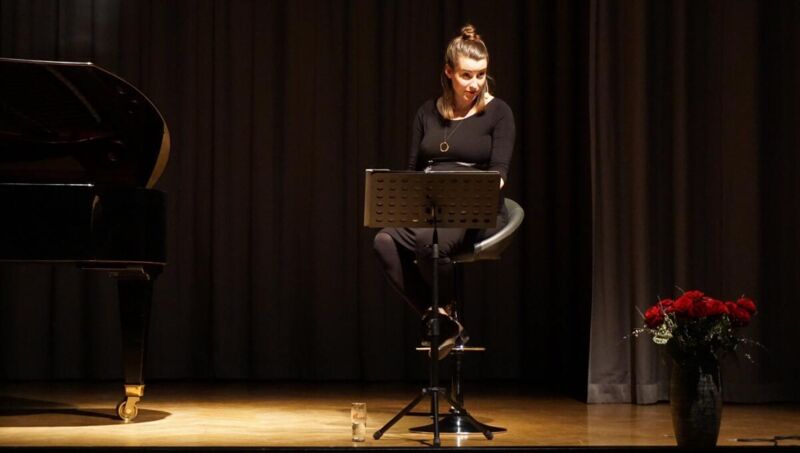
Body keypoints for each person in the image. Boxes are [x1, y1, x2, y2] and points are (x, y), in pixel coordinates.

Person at [373, 24, 515, 359]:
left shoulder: (499, 112)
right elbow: (413, 170)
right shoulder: (427, 112)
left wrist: (470, 193)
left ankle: (446, 312)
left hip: (474, 206)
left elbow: (500, 172)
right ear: (449, 72)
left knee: (429, 241)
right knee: (383, 241)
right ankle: (440, 317)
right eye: (466, 75)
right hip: (430, 205)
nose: (475, 84)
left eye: (481, 75)